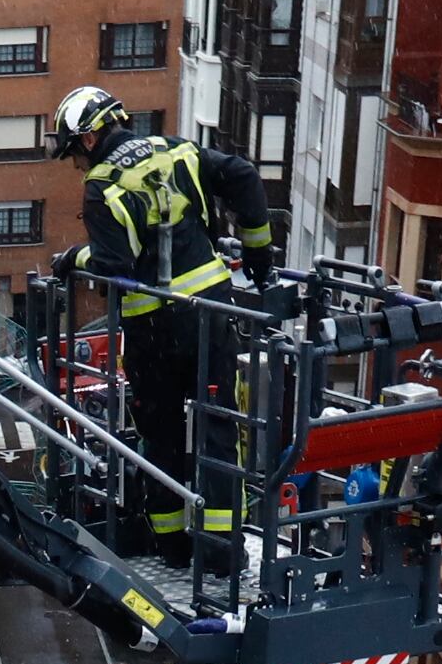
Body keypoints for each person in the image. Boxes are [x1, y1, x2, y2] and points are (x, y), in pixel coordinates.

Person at [49, 84, 277, 541]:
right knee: (219, 423)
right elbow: (245, 176)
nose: (77, 165)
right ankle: (220, 547)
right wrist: (260, 254)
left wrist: (73, 258)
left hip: (154, 329)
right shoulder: (177, 151)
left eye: (75, 153)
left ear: (90, 139)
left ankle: (170, 542)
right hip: (211, 312)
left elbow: (114, 267)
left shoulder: (102, 187)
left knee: (161, 430)